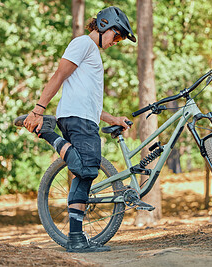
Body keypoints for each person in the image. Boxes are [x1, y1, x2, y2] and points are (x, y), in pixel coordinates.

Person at [14, 6, 136, 253]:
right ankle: (47, 131)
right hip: (77, 119)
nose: (117, 41)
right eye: (118, 35)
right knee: (86, 167)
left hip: (84, 117)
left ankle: (76, 239)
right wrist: (38, 110)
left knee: (85, 174)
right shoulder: (83, 44)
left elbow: (91, 100)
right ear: (104, 26)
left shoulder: (92, 53)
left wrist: (113, 118)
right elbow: (59, 74)